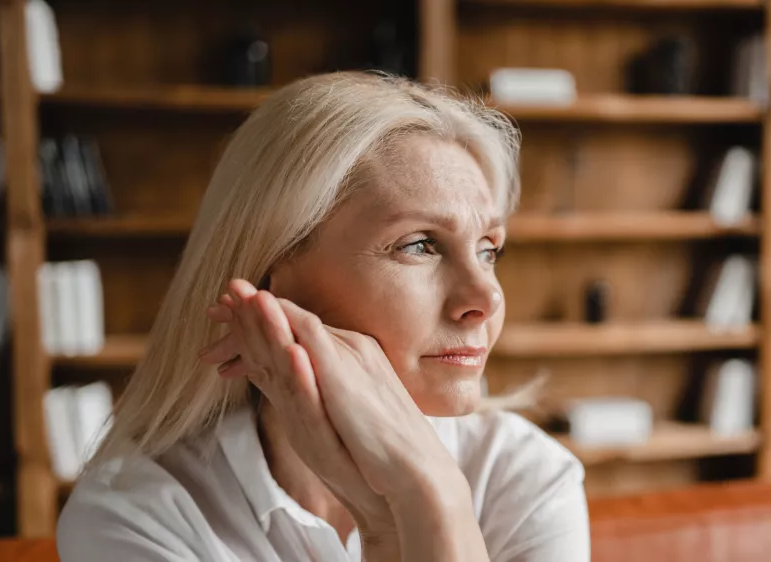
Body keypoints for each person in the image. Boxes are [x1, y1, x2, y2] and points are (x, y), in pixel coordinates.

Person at [57, 72, 589, 561]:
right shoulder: (136, 515)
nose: (486, 297)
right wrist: (415, 507)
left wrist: (426, 501)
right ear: (269, 273)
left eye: (488, 249)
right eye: (420, 245)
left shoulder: (526, 475)